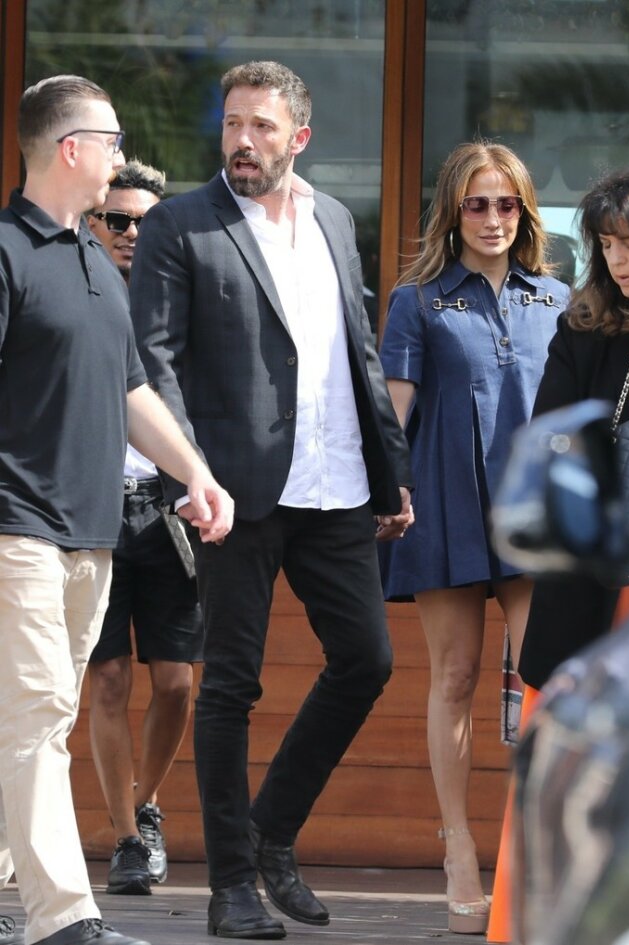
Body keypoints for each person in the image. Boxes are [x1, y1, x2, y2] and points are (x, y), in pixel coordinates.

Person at [129, 60, 414, 941]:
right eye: (232, 124)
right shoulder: (181, 223)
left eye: (260, 125)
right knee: (231, 684)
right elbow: (153, 362)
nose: (242, 141)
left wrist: (389, 469)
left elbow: (357, 350)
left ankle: (269, 832)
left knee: (365, 659)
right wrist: (189, 475)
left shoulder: (334, 218)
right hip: (232, 491)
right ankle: (231, 884)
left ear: (299, 136)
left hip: (337, 485)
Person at [0, 75, 233, 945]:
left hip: (89, 532)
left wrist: (195, 473)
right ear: (71, 148)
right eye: (111, 139)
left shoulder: (96, 261)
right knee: (35, 720)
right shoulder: (5, 254)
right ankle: (63, 916)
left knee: (39, 720)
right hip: (16, 527)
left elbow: (132, 389)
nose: (119, 153)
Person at [377, 140, 569, 935]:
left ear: (524, 210)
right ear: (452, 213)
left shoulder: (560, 298)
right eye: (476, 204)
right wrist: (387, 491)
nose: (492, 218)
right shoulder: (415, 300)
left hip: (536, 515)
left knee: (547, 681)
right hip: (445, 504)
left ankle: (537, 854)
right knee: (453, 677)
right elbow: (392, 416)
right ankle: (457, 850)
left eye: (505, 203)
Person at [488, 165, 629, 943]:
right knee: (566, 753)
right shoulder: (587, 324)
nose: (617, 259)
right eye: (606, 243)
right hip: (600, 574)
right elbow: (555, 434)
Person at [86, 160, 203, 896]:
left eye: (147, 222)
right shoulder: (73, 294)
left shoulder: (185, 301)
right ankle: (127, 837)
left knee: (176, 681)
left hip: (168, 509)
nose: (132, 233)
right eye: (118, 219)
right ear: (93, 224)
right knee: (107, 678)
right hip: (90, 507)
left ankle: (146, 801)